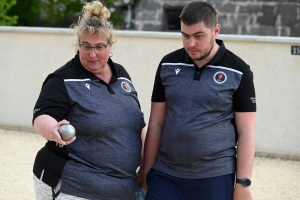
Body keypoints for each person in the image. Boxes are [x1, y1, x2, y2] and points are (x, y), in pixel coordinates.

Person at [142, 1, 256, 200]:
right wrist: (146, 171)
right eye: (185, 35)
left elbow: (246, 132)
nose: (191, 44)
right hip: (165, 175)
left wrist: (243, 183)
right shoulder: (167, 64)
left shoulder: (239, 71)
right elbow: (156, 123)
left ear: (216, 30)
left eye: (198, 36)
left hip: (215, 177)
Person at [32, 1, 146, 199]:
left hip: (121, 190)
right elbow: (42, 117)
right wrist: (54, 130)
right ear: (78, 45)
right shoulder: (63, 78)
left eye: (99, 47)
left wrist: (146, 167)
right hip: (73, 187)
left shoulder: (122, 76)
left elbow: (137, 125)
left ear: (110, 46)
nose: (92, 54)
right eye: (86, 46)